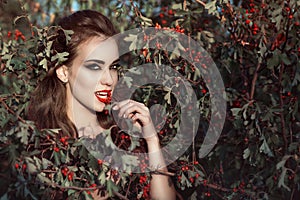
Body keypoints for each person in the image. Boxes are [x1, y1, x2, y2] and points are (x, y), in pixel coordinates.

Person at [27, 10, 176, 199]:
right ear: (63, 72)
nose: (109, 80)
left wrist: (152, 140)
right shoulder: (44, 146)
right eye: (95, 66)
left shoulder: (123, 137)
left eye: (113, 67)